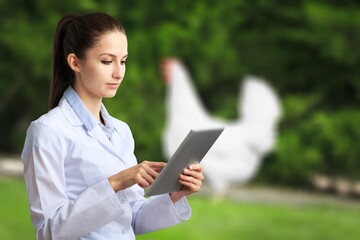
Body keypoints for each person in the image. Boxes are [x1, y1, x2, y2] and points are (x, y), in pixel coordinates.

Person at [21, 12, 204, 240]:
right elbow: (48, 231)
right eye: (107, 61)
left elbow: (133, 219)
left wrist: (175, 195)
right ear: (75, 62)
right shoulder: (47, 132)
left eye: (123, 61)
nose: (118, 73)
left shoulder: (121, 132)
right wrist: (117, 182)